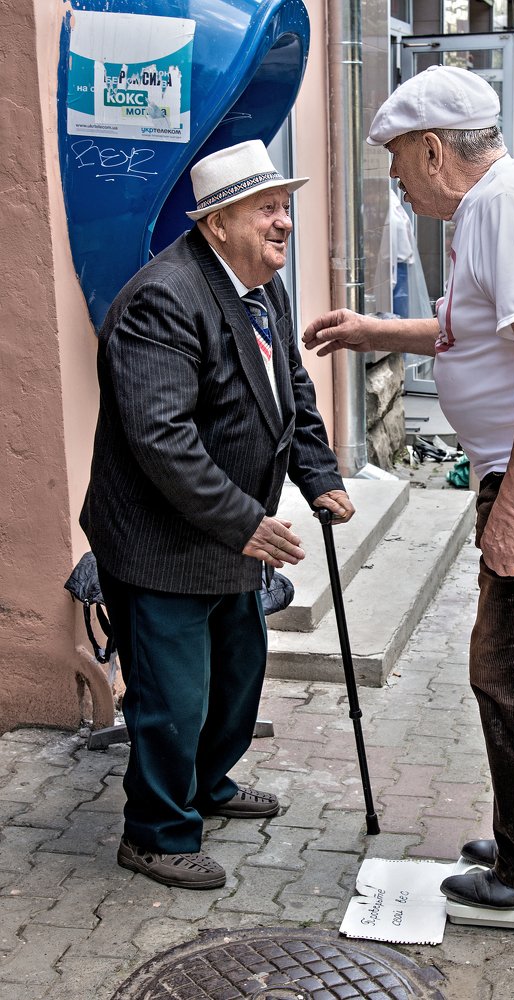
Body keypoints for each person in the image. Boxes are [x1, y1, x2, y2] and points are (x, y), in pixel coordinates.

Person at [304, 66, 514, 916]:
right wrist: (372, 330)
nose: (391, 175)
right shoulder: (488, 206)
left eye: (395, 156)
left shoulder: (501, 207)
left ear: (432, 149)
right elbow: (475, 331)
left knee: (512, 674)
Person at [80, 140, 355, 890]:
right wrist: (244, 522)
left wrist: (319, 474)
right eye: (267, 209)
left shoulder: (261, 287)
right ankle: (157, 833)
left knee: (237, 676)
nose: (284, 223)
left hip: (230, 533)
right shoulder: (162, 298)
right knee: (173, 697)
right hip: (161, 539)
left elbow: (291, 391)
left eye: (286, 206)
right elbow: (159, 437)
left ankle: (208, 783)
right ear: (217, 222)